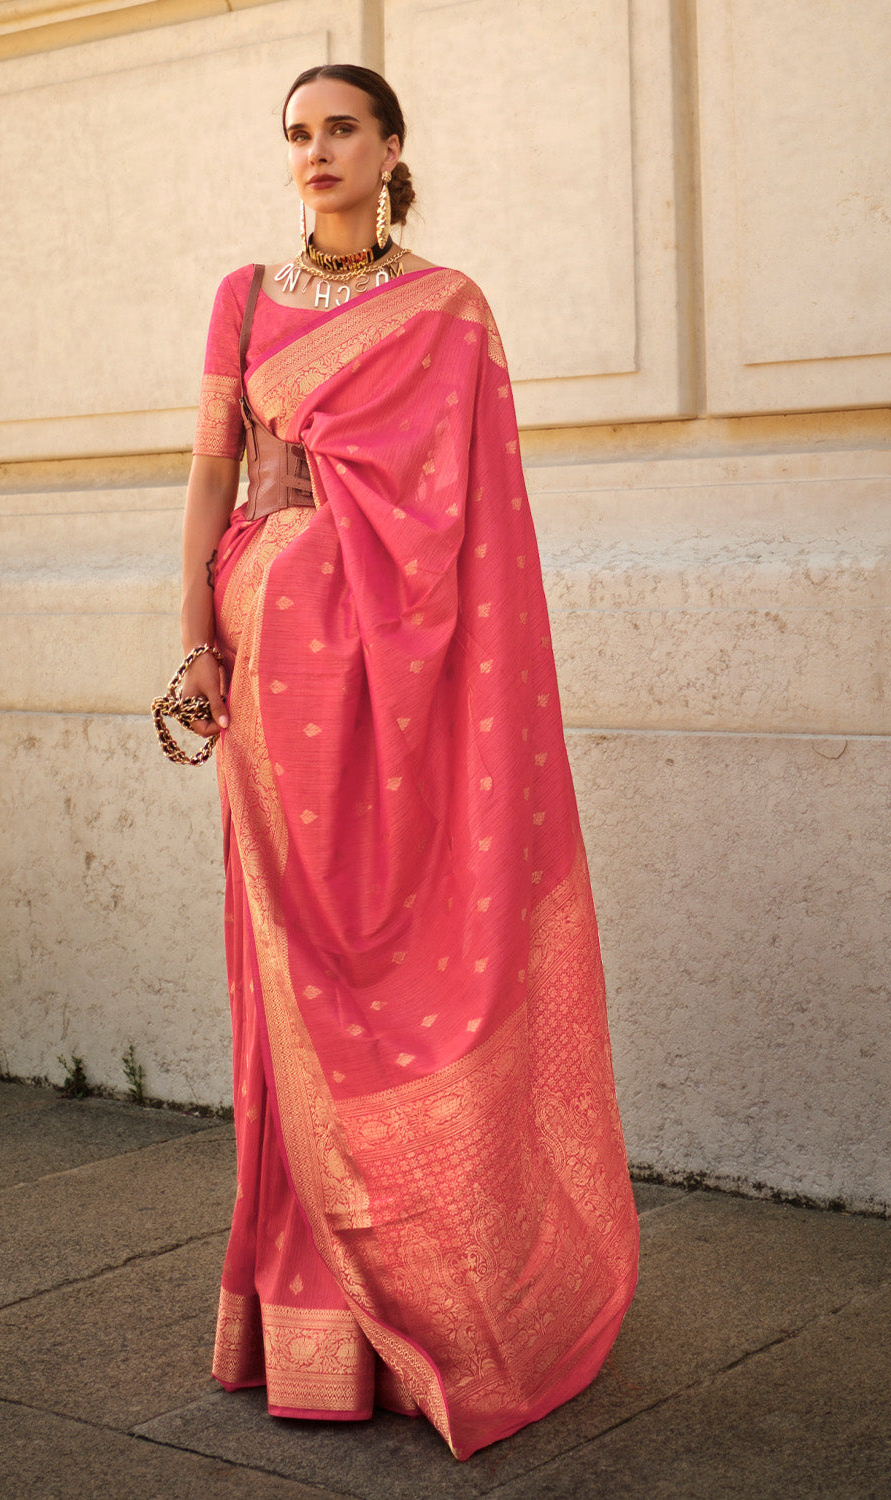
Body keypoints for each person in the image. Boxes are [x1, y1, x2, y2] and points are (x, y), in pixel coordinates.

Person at [177, 63, 639, 1462]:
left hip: (403, 671)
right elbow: (208, 473)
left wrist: (347, 501)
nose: (315, 153)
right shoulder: (246, 297)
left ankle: (439, 1292)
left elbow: (471, 516)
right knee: (290, 982)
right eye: (297, 134)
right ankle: (304, 1311)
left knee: (395, 957)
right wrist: (196, 634)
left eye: (340, 130)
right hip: (271, 664)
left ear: (391, 148)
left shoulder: (448, 311)